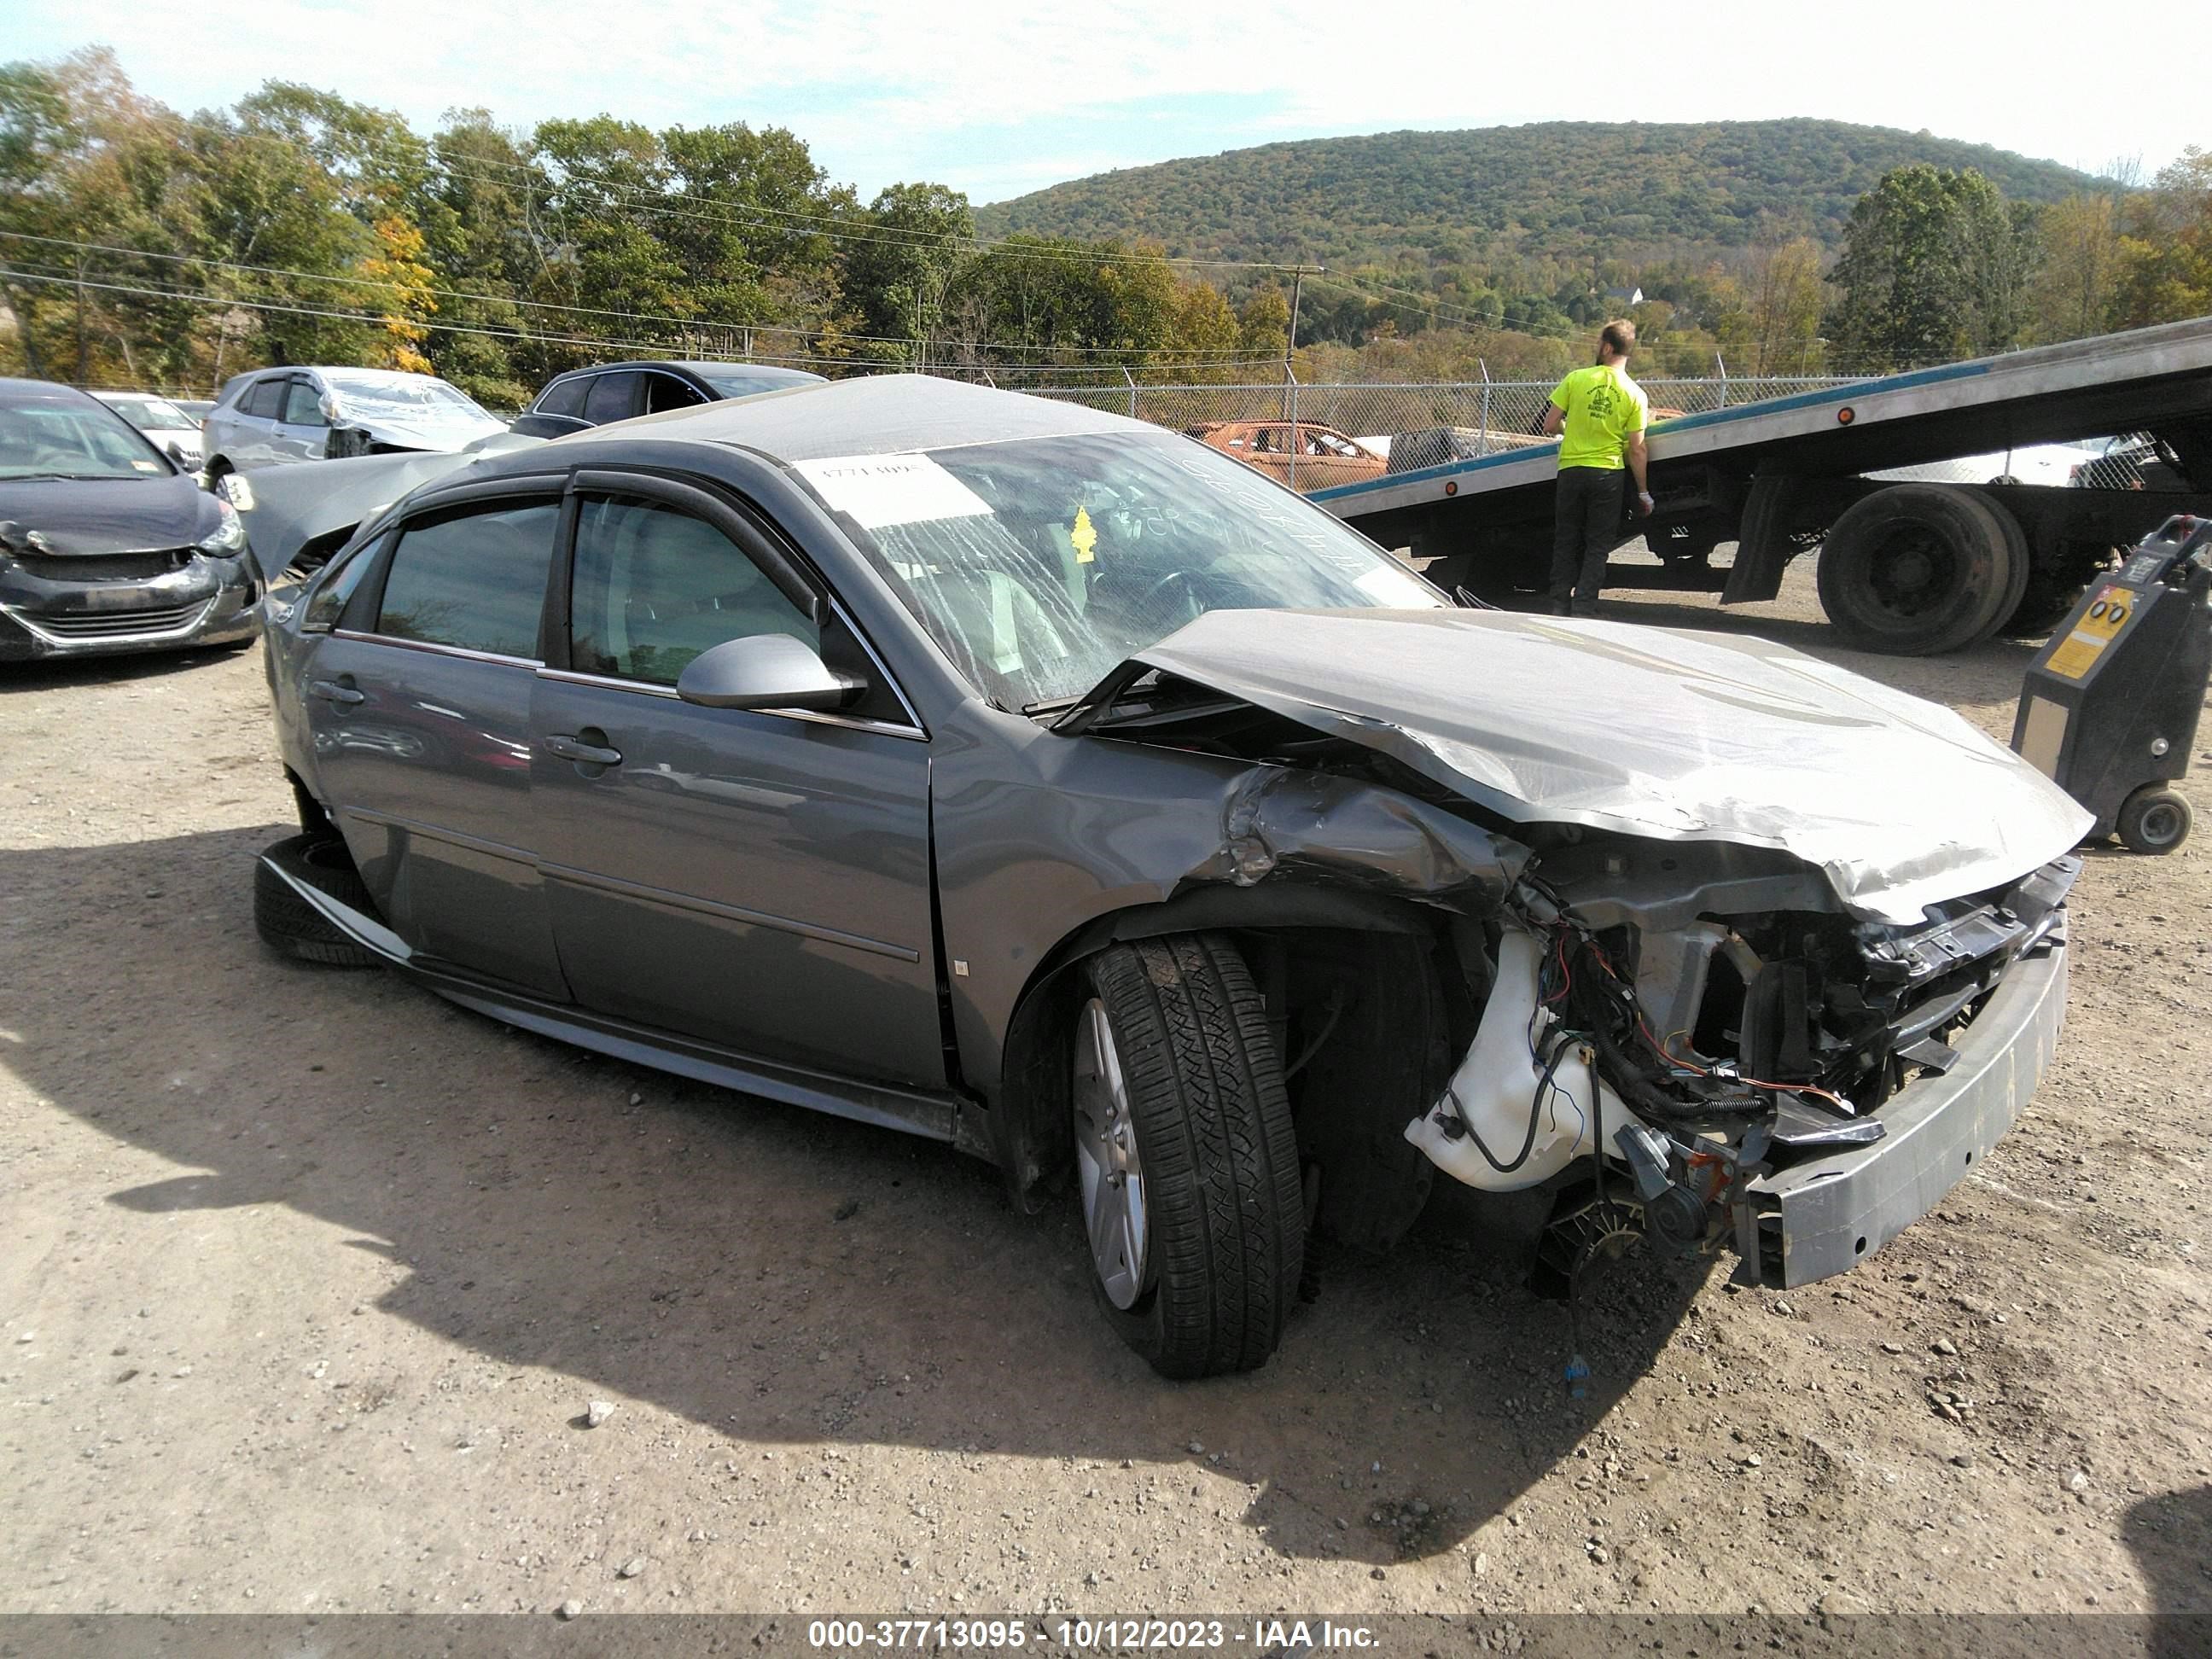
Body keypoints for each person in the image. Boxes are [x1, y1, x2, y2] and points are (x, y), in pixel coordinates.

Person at [1542, 319, 1653, 616]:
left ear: (1606, 347)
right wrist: (1643, 492)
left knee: (1566, 539)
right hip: (1608, 474)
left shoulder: (1576, 379)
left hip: (1571, 470)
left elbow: (1550, 424)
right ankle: (1584, 604)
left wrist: (1572, 427)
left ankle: (1558, 603)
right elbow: (1638, 448)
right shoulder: (1635, 394)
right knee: (1597, 543)